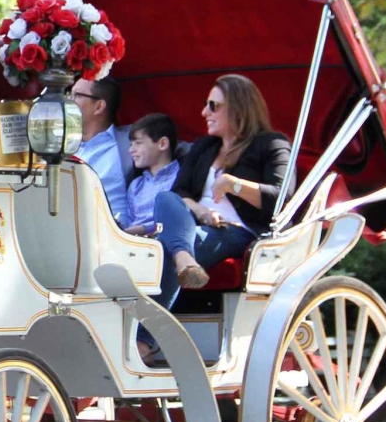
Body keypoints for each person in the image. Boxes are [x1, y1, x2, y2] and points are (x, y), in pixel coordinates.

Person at [153, 74, 291, 309]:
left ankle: (144, 341)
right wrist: (201, 210)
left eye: (213, 106)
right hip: (192, 223)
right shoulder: (204, 146)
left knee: (161, 248)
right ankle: (184, 259)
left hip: (236, 231)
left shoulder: (271, 144)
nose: (204, 113)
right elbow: (179, 192)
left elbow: (281, 198)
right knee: (164, 198)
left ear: (238, 109)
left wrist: (231, 184)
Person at [72, 76, 133, 228]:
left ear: (99, 106)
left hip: (114, 234)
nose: (68, 101)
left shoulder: (130, 141)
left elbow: (171, 144)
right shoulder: (58, 146)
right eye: (69, 94)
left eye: (77, 95)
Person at [124, 113, 180, 235]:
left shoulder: (181, 178)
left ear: (162, 144)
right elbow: (129, 221)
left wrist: (144, 229)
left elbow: (179, 220)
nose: (131, 150)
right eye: (131, 144)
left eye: (138, 143)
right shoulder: (136, 185)